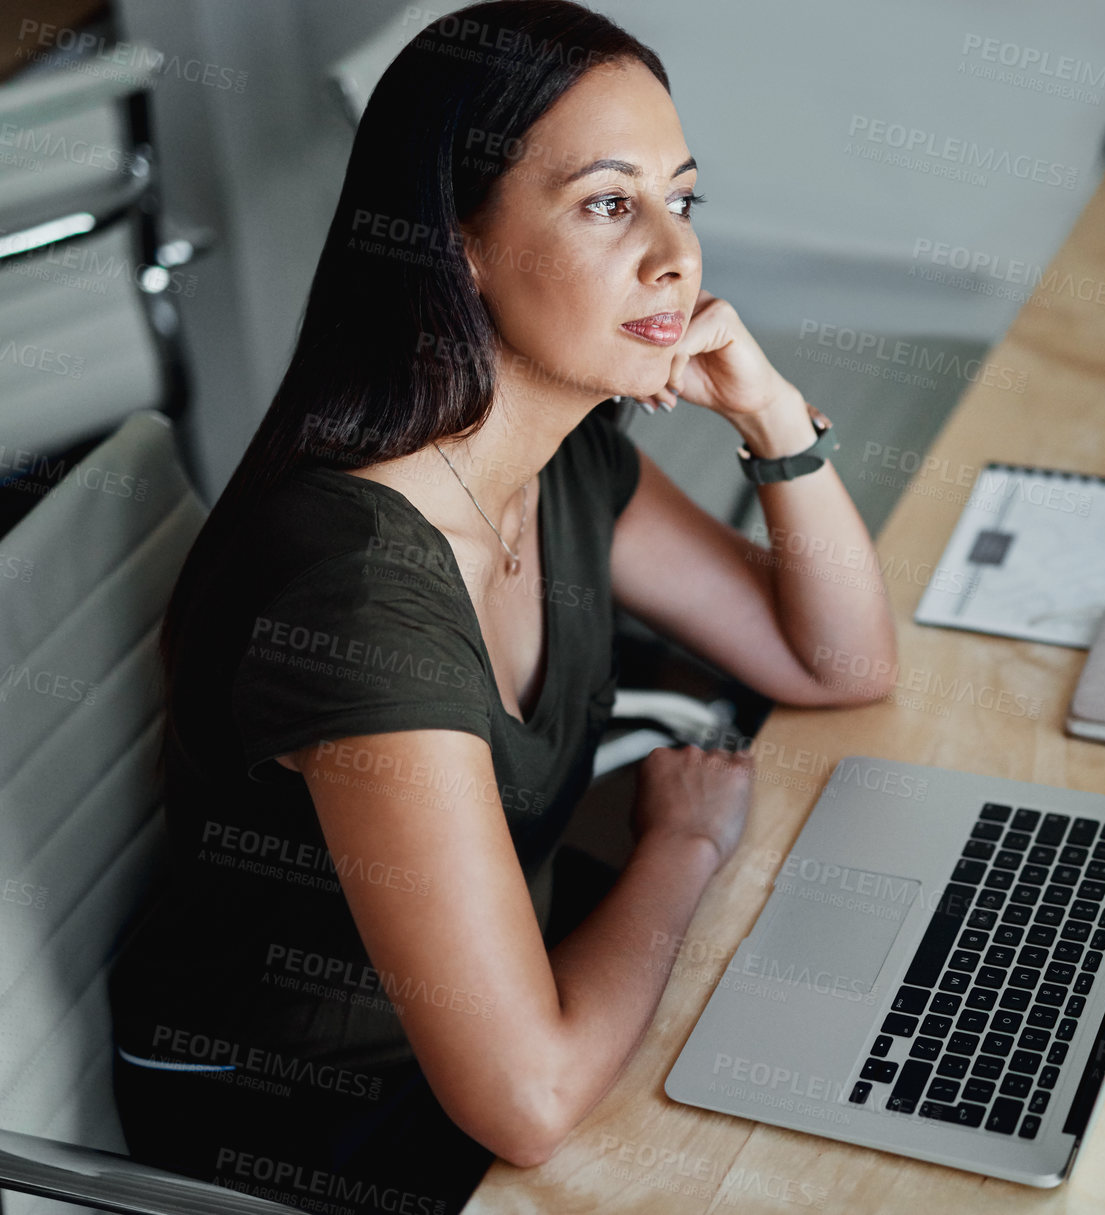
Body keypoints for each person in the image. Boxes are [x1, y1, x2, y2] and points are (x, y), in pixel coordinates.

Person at [106, 3, 897, 1211]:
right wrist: (680, 843)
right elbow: (522, 1104)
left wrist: (776, 424)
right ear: (456, 244)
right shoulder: (359, 589)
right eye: (605, 203)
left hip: (499, 1025)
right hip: (314, 1122)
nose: (675, 256)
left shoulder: (558, 454)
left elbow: (836, 662)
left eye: (681, 199)